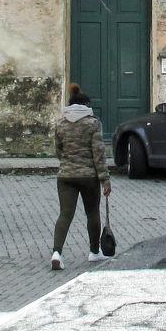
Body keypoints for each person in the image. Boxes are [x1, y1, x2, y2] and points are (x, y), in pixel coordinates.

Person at [50, 83, 111, 270]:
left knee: (65, 214)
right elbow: (98, 154)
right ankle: (94, 252)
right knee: (92, 213)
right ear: (86, 106)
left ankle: (57, 253)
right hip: (88, 176)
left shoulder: (60, 124)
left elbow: (58, 150)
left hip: (65, 176)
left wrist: (67, 162)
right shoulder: (93, 124)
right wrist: (105, 179)